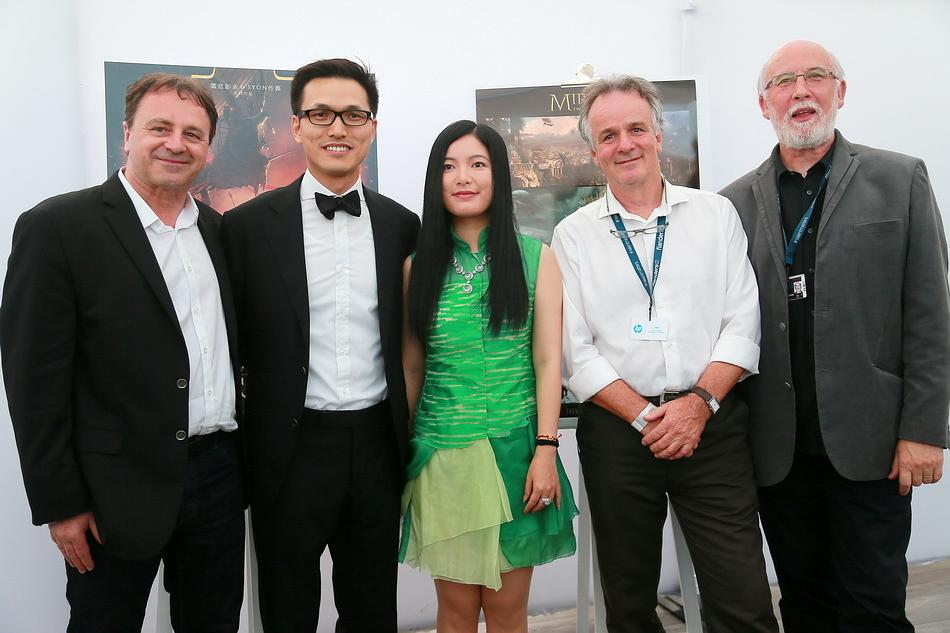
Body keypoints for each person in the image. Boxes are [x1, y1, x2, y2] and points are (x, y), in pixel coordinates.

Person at [0, 73, 244, 632]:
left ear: (208, 150)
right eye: (160, 128)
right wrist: (61, 502)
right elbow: (33, 381)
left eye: (193, 134)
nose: (176, 143)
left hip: (218, 477)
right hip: (112, 489)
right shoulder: (58, 227)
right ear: (128, 134)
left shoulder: (218, 231)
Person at [721, 40, 950, 632]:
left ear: (839, 92)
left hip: (873, 445)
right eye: (784, 82)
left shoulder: (899, 179)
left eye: (816, 76)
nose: (801, 91)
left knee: (874, 609)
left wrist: (925, 430)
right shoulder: (731, 205)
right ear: (764, 104)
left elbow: (930, 316)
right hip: (778, 450)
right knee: (805, 607)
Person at [551, 75, 779, 633]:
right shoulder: (572, 236)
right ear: (593, 152)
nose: (624, 144)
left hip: (712, 426)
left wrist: (696, 406)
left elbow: (742, 323)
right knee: (628, 604)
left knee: (743, 599)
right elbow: (574, 352)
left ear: (658, 135)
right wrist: (646, 417)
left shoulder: (716, 214)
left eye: (636, 129)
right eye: (608, 135)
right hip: (619, 436)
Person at [220, 58, 419, 633]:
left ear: (372, 127)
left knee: (372, 609)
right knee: (286, 611)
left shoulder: (403, 226)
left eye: (354, 115)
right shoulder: (246, 228)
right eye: (321, 114)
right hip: (287, 448)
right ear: (297, 125)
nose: (338, 128)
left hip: (376, 446)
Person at [400, 119, 578, 633]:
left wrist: (546, 450)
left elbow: (547, 362)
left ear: (498, 175)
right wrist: (400, 454)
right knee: (455, 611)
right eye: (449, 166)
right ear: (435, 180)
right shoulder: (416, 267)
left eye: (477, 164)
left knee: (506, 610)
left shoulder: (536, 259)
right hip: (442, 460)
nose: (463, 177)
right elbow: (413, 366)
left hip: (515, 455)